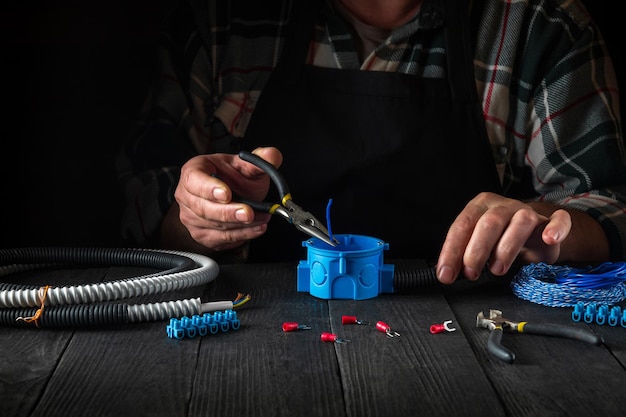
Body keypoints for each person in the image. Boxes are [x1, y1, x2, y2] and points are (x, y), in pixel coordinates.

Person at [117, 0, 626, 285]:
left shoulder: (539, 26)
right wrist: (195, 218)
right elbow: (137, 211)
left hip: (470, 333)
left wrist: (547, 227)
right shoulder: (218, 21)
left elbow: (611, 204)